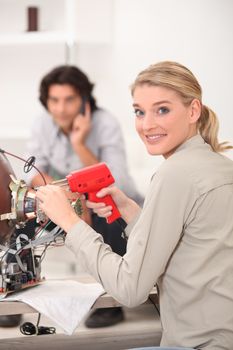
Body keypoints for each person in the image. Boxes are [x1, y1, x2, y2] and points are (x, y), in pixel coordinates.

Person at [36, 61, 233, 349]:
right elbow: (190, 249)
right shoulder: (220, 166)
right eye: (139, 112)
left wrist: (69, 222)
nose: (147, 124)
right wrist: (128, 208)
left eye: (162, 110)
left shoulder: (174, 174)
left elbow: (130, 289)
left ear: (193, 111)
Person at [24, 65, 143, 328]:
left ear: (84, 101)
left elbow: (116, 183)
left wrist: (80, 143)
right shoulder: (42, 123)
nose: (61, 109)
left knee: (108, 213)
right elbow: (33, 171)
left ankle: (112, 303)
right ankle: (15, 295)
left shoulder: (105, 123)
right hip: (73, 201)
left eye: (69, 100)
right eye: (54, 100)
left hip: (109, 201)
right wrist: (64, 197)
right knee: (21, 219)